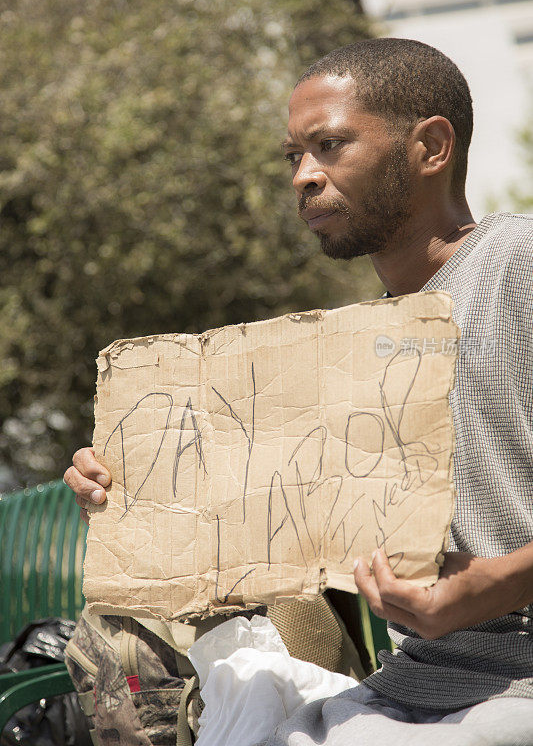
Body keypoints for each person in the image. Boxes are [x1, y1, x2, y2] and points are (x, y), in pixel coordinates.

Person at [64, 39, 533, 745]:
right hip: (409, 689)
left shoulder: (515, 262)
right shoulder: (365, 337)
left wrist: (497, 583)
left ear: (431, 146)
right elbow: (274, 521)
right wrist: (131, 492)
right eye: (293, 156)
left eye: (330, 145)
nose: (302, 177)